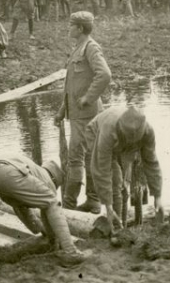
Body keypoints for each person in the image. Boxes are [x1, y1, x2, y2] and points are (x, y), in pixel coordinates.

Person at [0, 156, 86, 266]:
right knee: (52, 202)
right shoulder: (47, 179)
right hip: (6, 171)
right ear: (55, 179)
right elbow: (48, 207)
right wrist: (52, 238)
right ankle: (71, 251)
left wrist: (41, 231)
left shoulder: (32, 170)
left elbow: (23, 211)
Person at [54, 11, 112, 214]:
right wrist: (62, 110)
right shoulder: (79, 48)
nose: (68, 28)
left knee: (76, 158)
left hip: (86, 115)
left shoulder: (90, 47)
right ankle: (93, 202)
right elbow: (72, 85)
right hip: (79, 114)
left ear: (80, 28)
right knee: (87, 157)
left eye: (71, 25)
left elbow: (104, 74)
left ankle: (69, 206)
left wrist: (88, 98)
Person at [85, 106, 163, 229]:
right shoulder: (108, 131)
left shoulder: (147, 131)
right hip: (96, 134)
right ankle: (116, 228)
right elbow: (102, 170)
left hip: (124, 146)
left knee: (124, 187)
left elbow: (151, 162)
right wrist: (108, 206)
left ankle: (123, 225)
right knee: (116, 180)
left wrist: (158, 196)